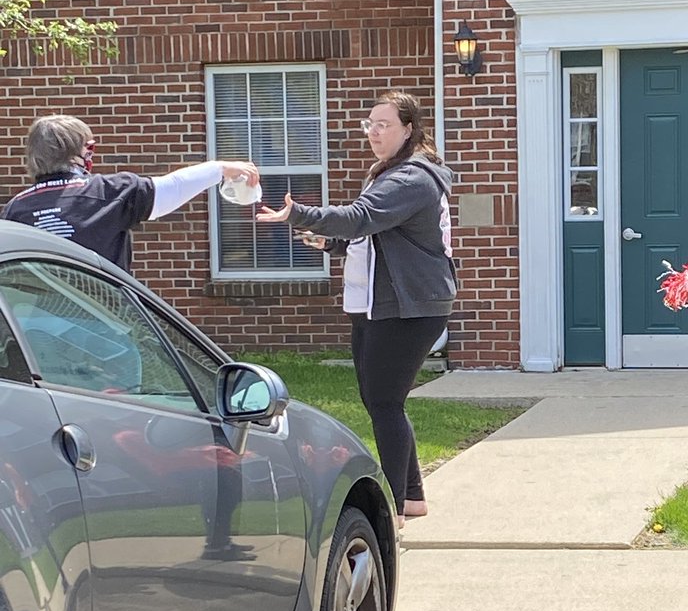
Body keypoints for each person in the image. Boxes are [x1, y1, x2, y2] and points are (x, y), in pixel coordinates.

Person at [257, 91, 455, 526]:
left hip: (409, 306)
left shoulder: (411, 179)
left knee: (384, 402)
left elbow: (361, 216)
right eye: (369, 124)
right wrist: (329, 241)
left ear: (408, 129)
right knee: (383, 400)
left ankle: (395, 507)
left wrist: (298, 214)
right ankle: (413, 498)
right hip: (378, 302)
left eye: (383, 124)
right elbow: (371, 232)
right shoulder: (391, 174)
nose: (374, 132)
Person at [1, 114, 259, 273]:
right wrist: (221, 168)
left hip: (33, 329)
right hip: (102, 321)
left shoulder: (15, 209)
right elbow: (174, 187)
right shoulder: (110, 191)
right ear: (79, 152)